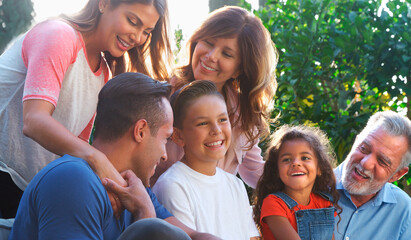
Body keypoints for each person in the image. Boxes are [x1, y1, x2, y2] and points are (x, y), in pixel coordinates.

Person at [0, 0, 172, 218]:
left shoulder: (103, 74)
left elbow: (74, 147)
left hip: (28, 189)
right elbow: (34, 120)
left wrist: (107, 184)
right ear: (104, 4)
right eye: (132, 21)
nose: (137, 38)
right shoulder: (59, 35)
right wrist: (97, 159)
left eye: (146, 31)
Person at [9, 73, 218, 240]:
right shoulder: (73, 180)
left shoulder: (136, 190)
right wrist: (146, 218)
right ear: (141, 131)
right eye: (166, 138)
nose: (165, 155)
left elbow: (192, 237)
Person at [151, 6, 278, 188]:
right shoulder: (160, 96)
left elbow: (256, 172)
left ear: (239, 69)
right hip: (161, 208)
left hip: (212, 211)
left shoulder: (242, 114)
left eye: (227, 54)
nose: (211, 56)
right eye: (209, 42)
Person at [153, 80, 260, 239]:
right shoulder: (173, 185)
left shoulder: (235, 185)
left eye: (222, 120)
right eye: (203, 123)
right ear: (178, 136)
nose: (216, 130)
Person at [334, 111, 411, 240]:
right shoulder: (307, 186)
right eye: (364, 148)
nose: (366, 164)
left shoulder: (406, 215)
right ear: (357, 140)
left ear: (397, 174)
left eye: (382, 161)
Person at [253, 125, 341, 240]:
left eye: (305, 158)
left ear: (319, 168)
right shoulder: (273, 203)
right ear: (276, 170)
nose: (296, 163)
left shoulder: (324, 203)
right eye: (287, 159)